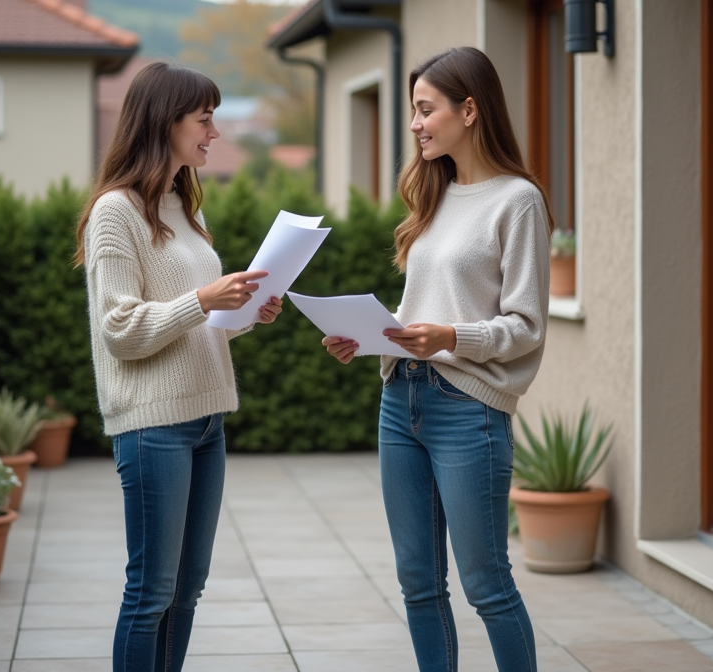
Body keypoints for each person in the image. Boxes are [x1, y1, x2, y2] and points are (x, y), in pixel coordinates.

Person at [322, 46, 550, 672]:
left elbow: (527, 326)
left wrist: (451, 338)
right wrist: (370, 336)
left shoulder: (517, 201)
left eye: (426, 110)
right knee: (418, 585)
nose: (416, 124)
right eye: (415, 112)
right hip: (402, 401)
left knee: (487, 585)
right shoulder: (437, 193)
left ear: (470, 110)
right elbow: (423, 306)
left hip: (468, 410)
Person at [74, 61, 281, 672]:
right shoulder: (117, 212)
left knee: (186, 591)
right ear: (165, 122)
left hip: (206, 422)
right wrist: (203, 299)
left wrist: (244, 311)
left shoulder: (183, 207)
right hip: (152, 427)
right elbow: (119, 330)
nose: (214, 132)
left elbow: (202, 324)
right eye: (204, 119)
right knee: (151, 593)